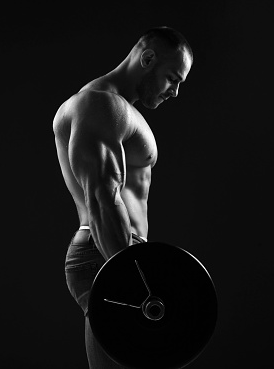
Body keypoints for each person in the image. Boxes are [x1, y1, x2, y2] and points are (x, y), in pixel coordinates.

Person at [53, 26, 193, 368]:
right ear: (147, 58)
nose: (175, 92)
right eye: (172, 78)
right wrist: (133, 280)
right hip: (110, 252)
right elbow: (103, 197)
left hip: (123, 253)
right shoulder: (101, 104)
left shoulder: (117, 110)